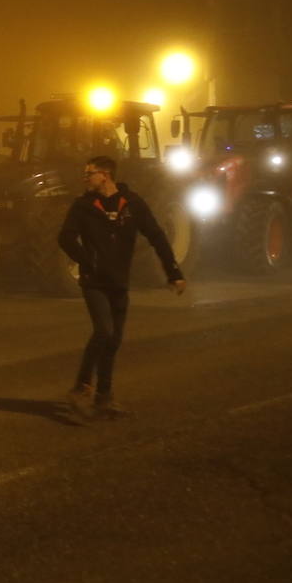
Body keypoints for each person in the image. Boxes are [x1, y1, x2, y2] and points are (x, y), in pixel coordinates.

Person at [56, 155, 187, 418]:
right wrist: (87, 260)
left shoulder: (133, 204)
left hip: (119, 281)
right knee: (104, 331)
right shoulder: (83, 206)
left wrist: (173, 272)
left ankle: (104, 397)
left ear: (105, 175)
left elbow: (157, 236)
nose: (85, 178)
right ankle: (81, 389)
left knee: (114, 339)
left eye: (89, 173)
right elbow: (65, 238)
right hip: (94, 281)